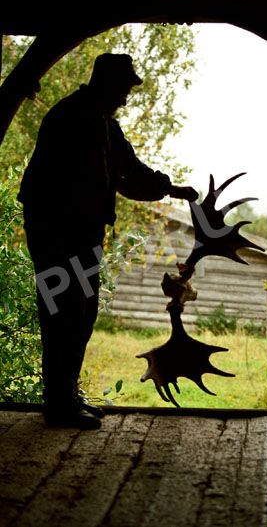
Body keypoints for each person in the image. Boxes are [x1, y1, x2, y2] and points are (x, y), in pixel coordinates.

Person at [18, 53, 198, 430]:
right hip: (56, 235)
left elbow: (131, 173)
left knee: (82, 314)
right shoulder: (67, 117)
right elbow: (56, 186)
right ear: (106, 84)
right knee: (62, 313)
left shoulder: (104, 125)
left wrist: (172, 189)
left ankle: (66, 394)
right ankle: (58, 404)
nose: (126, 98)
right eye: (123, 89)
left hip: (84, 235)